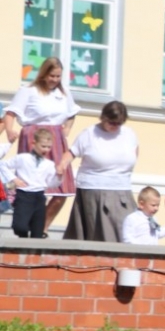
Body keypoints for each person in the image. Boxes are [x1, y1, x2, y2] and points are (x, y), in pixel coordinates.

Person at [4, 57, 81, 229]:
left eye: (58, 76)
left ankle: (42, 227)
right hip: (34, 137)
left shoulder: (64, 93)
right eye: (52, 76)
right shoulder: (29, 90)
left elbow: (72, 112)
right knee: (31, 187)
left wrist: (66, 129)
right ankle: (27, 224)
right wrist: (10, 131)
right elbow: (11, 113)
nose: (54, 80)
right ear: (44, 74)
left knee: (61, 188)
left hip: (56, 138)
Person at [59, 101, 137, 242]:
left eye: (119, 123)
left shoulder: (129, 134)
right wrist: (61, 166)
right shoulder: (89, 133)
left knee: (126, 232)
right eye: (112, 122)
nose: (115, 127)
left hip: (122, 190)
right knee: (101, 235)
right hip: (94, 190)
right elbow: (71, 153)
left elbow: (134, 152)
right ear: (103, 118)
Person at [3, 130, 61, 238]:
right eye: (43, 146)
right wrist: (14, 179)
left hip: (39, 196)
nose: (46, 150)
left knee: (37, 231)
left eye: (49, 147)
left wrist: (59, 176)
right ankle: (23, 239)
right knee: (20, 227)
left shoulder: (49, 164)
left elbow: (51, 184)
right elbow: (3, 165)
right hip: (24, 195)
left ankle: (34, 251)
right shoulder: (23, 158)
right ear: (34, 143)